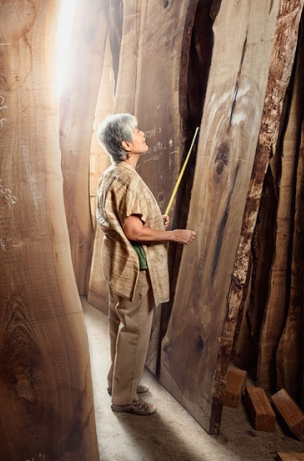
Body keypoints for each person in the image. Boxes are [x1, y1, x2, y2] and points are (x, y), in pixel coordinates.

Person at [95, 113, 196, 416]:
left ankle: (119, 382)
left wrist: (154, 221)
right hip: (135, 269)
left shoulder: (113, 173)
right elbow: (134, 231)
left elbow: (128, 218)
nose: (142, 133)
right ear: (127, 144)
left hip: (117, 266)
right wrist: (172, 234)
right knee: (135, 332)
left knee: (121, 328)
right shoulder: (129, 179)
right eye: (137, 132)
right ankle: (124, 399)